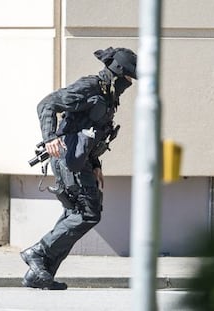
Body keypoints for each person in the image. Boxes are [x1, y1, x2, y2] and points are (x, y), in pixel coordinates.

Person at [20, 47, 137, 290]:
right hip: (66, 157)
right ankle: (38, 253)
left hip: (80, 160)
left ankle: (40, 274)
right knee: (87, 213)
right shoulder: (91, 86)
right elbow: (47, 104)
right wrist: (50, 137)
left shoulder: (108, 95)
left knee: (73, 215)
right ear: (118, 72)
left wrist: (95, 164)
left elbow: (91, 132)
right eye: (129, 77)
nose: (130, 83)